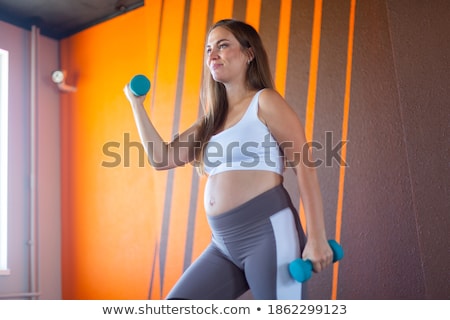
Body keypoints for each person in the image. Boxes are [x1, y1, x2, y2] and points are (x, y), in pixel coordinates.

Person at [124, 19, 333, 300]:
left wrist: (317, 236)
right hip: (223, 243)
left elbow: (304, 166)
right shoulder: (210, 122)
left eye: (223, 45)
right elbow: (160, 158)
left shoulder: (265, 101)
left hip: (268, 233)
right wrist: (136, 104)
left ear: (249, 54)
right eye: (209, 48)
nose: (213, 54)